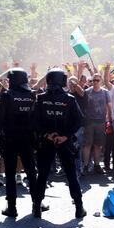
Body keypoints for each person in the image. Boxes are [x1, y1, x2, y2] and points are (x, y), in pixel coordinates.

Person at [0, 67, 47, 217]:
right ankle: (37, 204)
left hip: (9, 140)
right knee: (31, 172)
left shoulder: (7, 96)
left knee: (10, 174)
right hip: (28, 140)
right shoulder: (32, 95)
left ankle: (12, 207)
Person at [33, 68, 86, 219]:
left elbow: (35, 121)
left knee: (42, 174)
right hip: (64, 142)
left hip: (47, 141)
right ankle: (79, 207)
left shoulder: (41, 99)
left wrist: (46, 135)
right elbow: (80, 121)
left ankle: (37, 207)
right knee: (71, 175)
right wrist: (66, 136)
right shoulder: (69, 99)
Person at [82, 73, 111, 174]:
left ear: (101, 81)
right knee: (87, 144)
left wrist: (109, 120)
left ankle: (97, 165)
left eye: (97, 80)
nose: (95, 82)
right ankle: (85, 166)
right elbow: (83, 106)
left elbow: (109, 106)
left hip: (101, 122)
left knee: (98, 145)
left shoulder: (105, 92)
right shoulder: (87, 92)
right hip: (89, 122)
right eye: (93, 80)